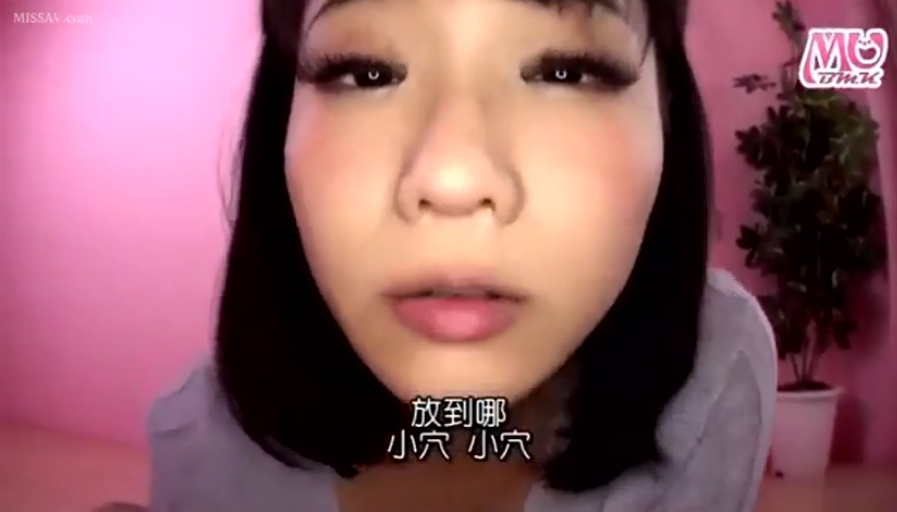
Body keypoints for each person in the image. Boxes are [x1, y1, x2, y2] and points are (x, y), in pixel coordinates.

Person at [147, 0, 777, 509]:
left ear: (665, 115)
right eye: (366, 72)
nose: (453, 178)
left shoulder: (712, 376)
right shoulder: (201, 453)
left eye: (565, 71)